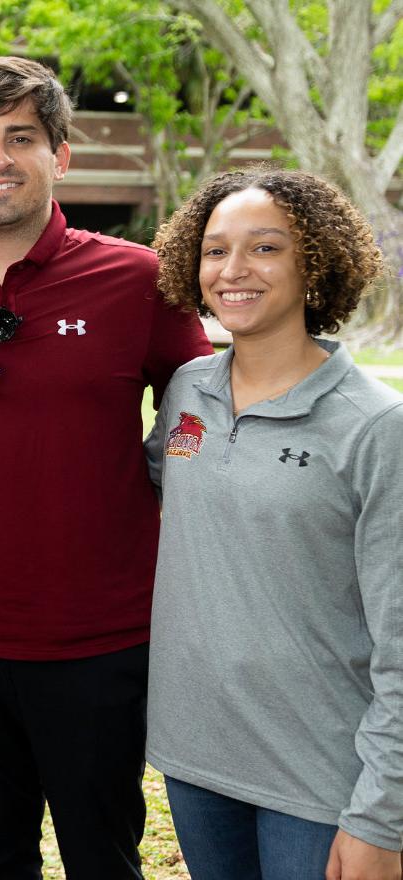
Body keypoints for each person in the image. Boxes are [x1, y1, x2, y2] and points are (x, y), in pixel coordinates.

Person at [0, 56, 210, 878]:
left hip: (99, 642)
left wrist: (165, 487)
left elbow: (203, 422)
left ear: (60, 155)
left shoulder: (139, 280)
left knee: (102, 859)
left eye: (21, 137)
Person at [146, 168, 403, 880]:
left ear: (314, 261)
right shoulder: (187, 390)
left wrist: (383, 814)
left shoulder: (376, 427)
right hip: (194, 755)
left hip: (320, 778)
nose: (234, 271)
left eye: (265, 249)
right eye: (215, 250)